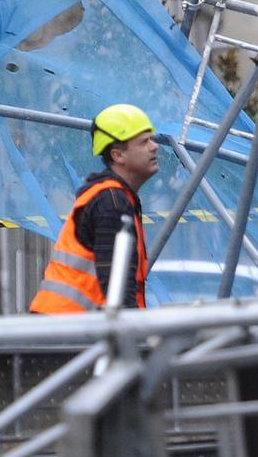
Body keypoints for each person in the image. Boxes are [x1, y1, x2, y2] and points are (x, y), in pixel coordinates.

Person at [30, 103, 160, 313]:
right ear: (118, 155)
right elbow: (117, 291)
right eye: (144, 142)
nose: (154, 146)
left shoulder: (114, 197)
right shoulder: (111, 202)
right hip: (68, 334)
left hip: (68, 329)